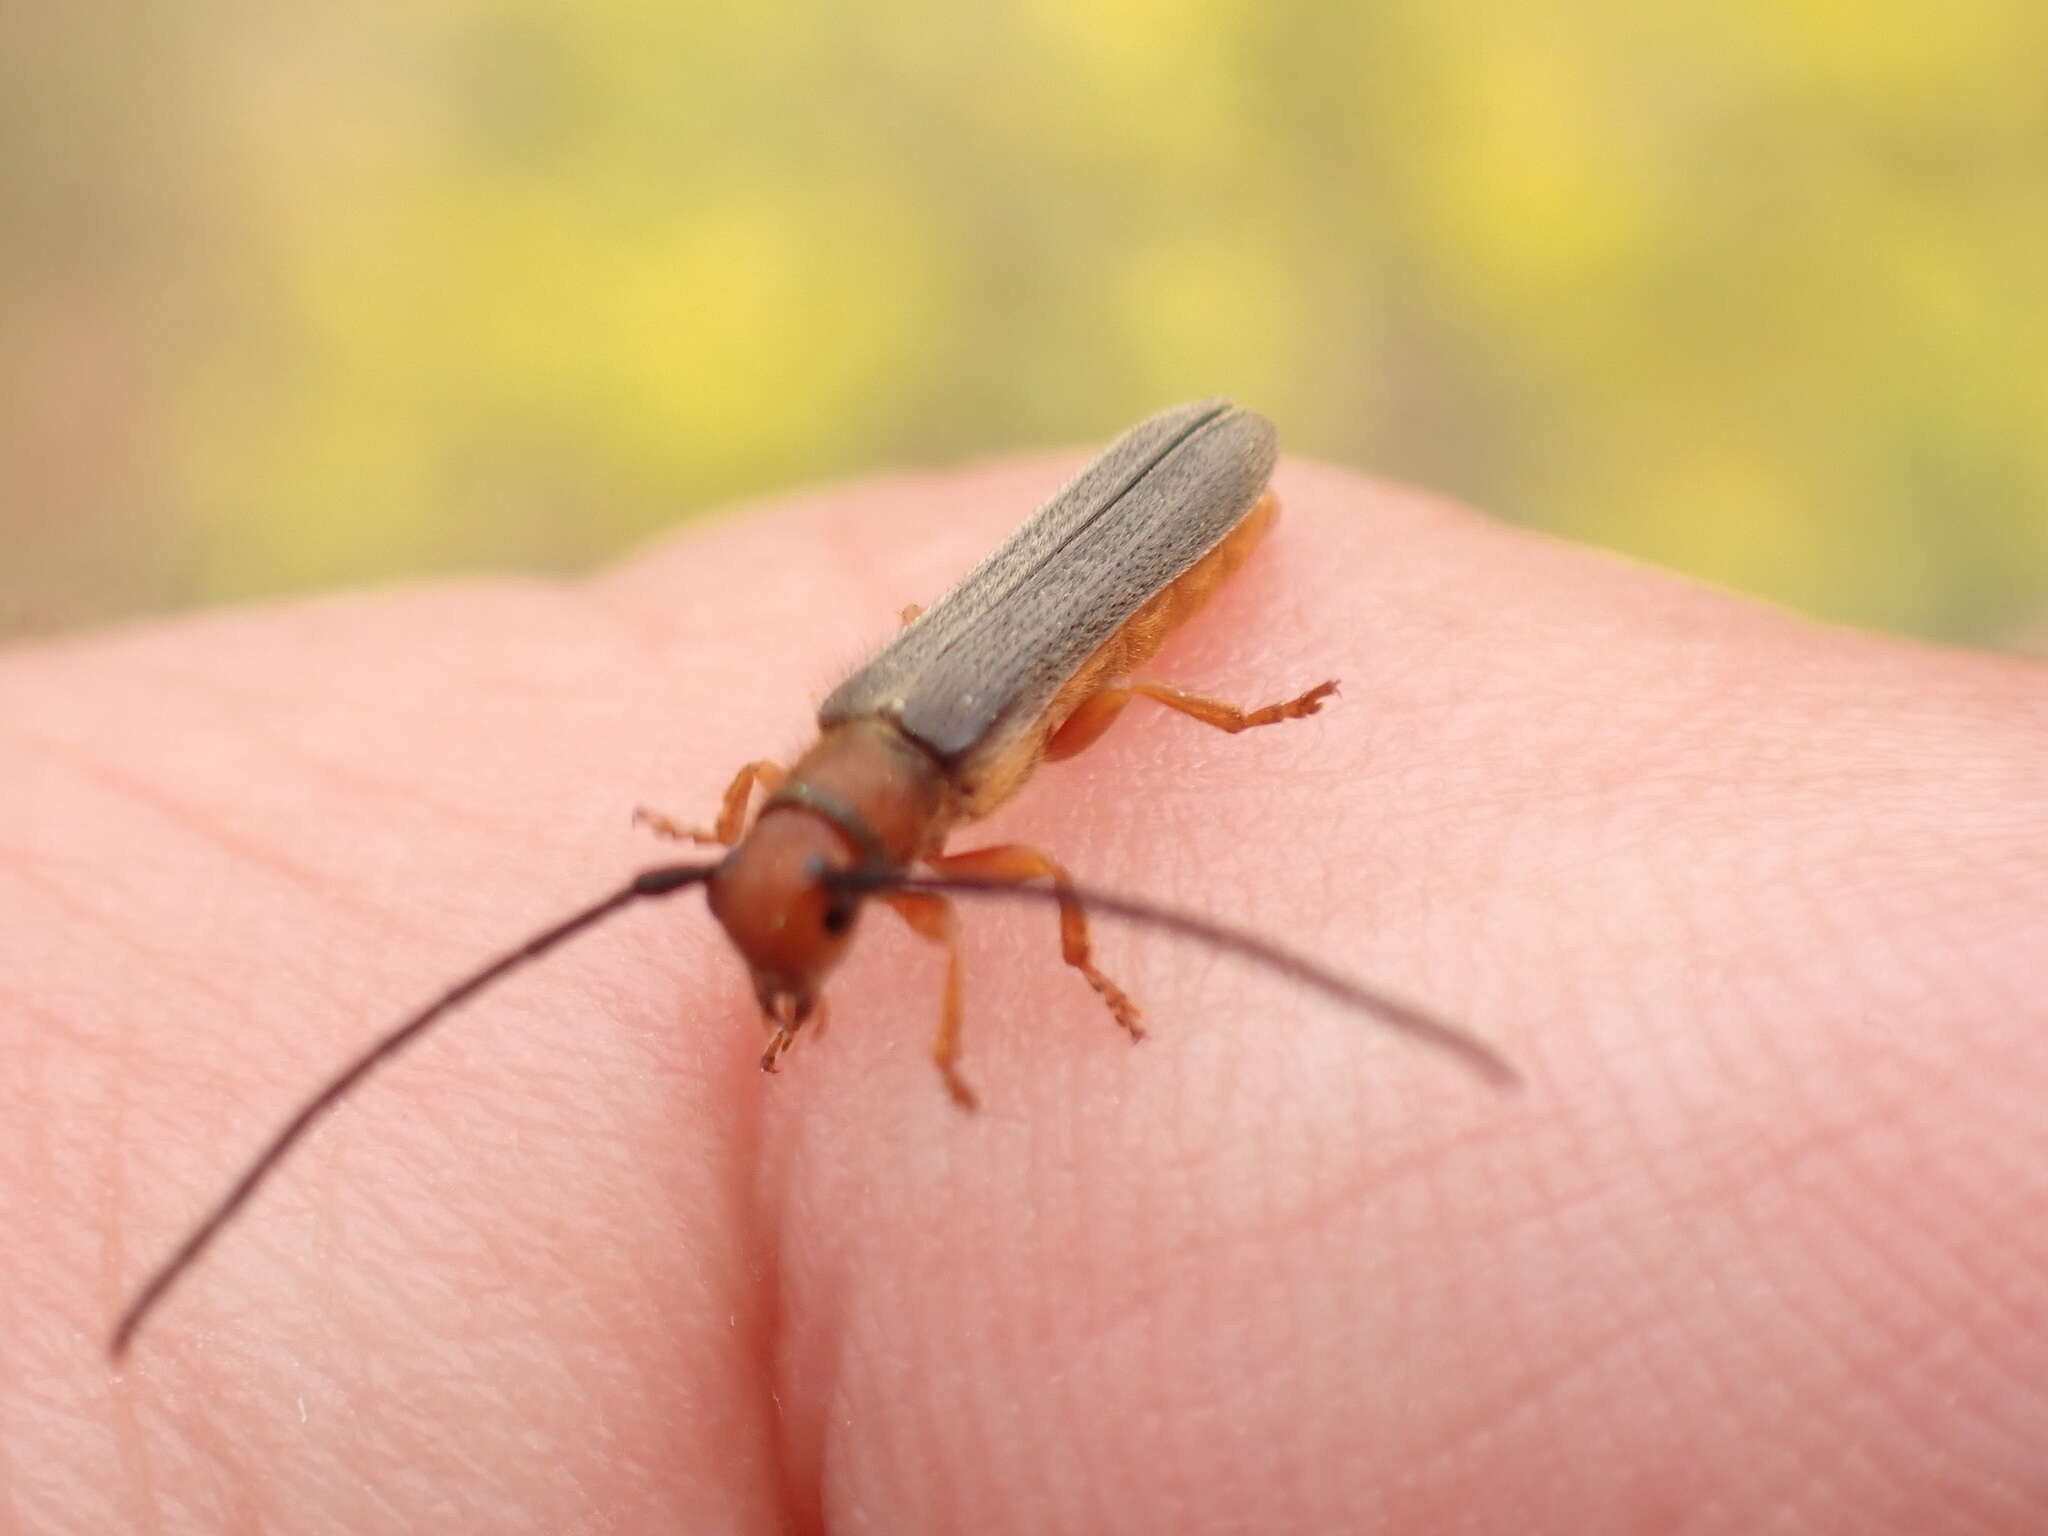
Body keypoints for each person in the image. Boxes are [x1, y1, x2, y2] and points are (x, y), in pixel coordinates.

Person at [5, 453, 2042, 1532]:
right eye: (783, 932)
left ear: (849, 861)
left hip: (1176, 531)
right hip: (1026, 600)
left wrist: (1023, 999)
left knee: (1077, 818)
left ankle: (1245, 721)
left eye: (796, 940)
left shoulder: (941, 765)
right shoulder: (809, 780)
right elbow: (759, 832)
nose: (792, 952)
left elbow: (1037, 871)